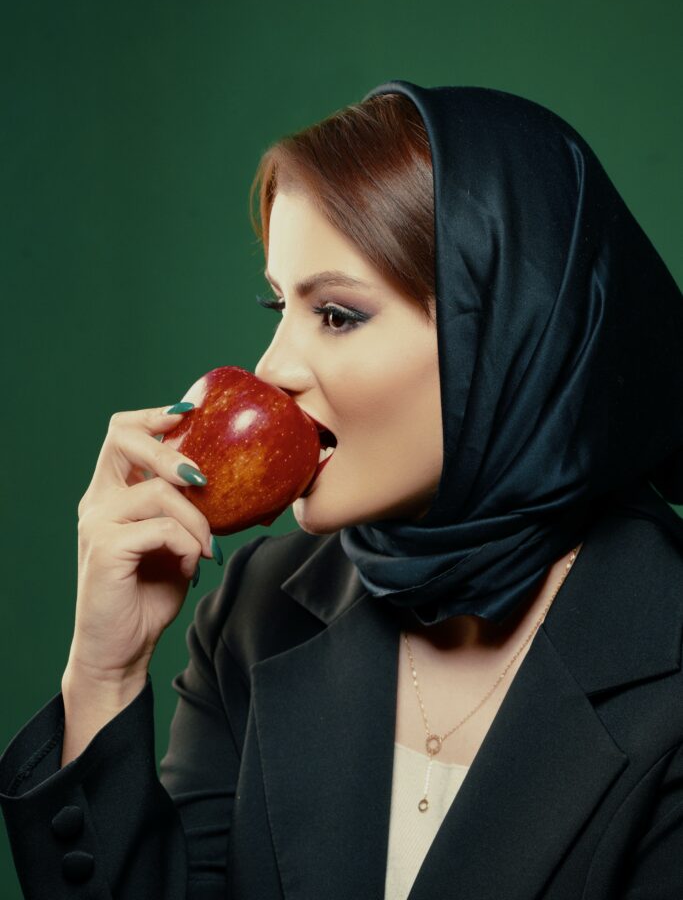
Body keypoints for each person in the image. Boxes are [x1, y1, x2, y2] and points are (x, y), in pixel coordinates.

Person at [1, 79, 682, 900]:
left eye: (336, 313)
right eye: (277, 304)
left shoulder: (663, 644)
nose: (270, 370)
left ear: (509, 333)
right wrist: (102, 676)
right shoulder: (259, 611)